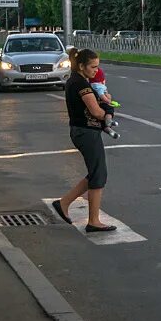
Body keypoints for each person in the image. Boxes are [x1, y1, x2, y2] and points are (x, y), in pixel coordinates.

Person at [52, 47, 117, 232]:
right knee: (98, 175)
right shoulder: (81, 84)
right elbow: (96, 112)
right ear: (81, 66)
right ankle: (93, 221)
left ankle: (64, 203)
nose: (96, 70)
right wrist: (108, 109)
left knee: (95, 173)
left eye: (97, 67)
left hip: (82, 131)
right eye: (93, 67)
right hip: (86, 133)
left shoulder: (77, 81)